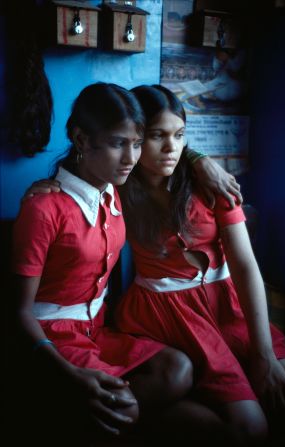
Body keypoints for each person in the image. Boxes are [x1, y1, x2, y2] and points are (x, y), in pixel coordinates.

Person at [11, 83, 198, 446]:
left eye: (137, 142)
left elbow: (173, 142)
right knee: (133, 411)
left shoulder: (113, 191)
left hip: (98, 332)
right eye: (117, 143)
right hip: (52, 340)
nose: (131, 157)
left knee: (180, 370)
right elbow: (19, 313)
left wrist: (202, 161)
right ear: (81, 140)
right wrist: (67, 374)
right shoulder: (43, 209)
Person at [112, 84, 285, 445]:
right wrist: (52, 184)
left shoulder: (210, 185)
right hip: (166, 312)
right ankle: (143, 416)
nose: (171, 148)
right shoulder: (119, 187)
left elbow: (245, 266)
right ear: (135, 136)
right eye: (156, 136)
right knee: (250, 428)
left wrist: (263, 354)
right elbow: (88, 160)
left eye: (180, 135)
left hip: (226, 304)